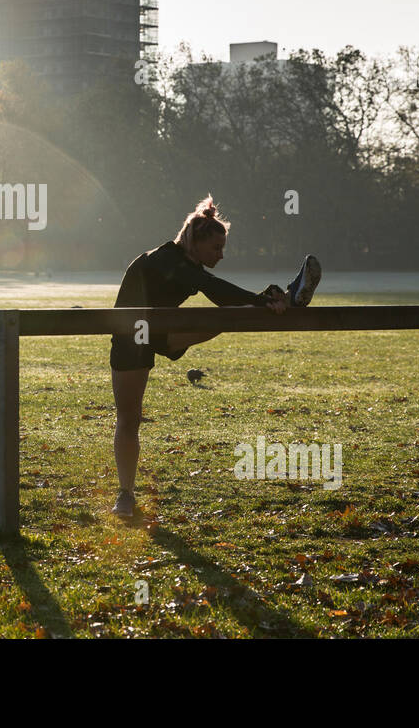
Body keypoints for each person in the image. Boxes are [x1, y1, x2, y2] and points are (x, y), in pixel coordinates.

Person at [109, 193, 322, 517]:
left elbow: (218, 292)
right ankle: (125, 495)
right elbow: (215, 288)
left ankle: (283, 299)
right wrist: (258, 301)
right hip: (131, 339)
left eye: (223, 248)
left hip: (160, 332)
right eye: (216, 249)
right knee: (129, 419)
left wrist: (258, 300)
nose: (222, 255)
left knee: (228, 316)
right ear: (195, 242)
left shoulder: (188, 264)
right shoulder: (167, 259)